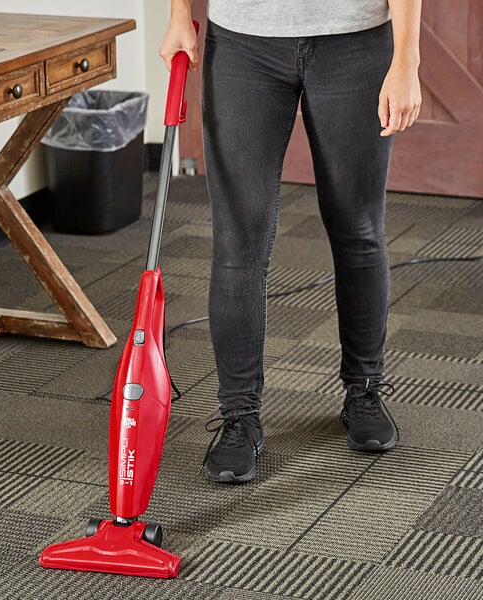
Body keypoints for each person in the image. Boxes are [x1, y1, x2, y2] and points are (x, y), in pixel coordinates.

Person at [160, 0, 422, 483]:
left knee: (357, 229)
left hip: (355, 39)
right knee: (239, 240)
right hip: (242, 42)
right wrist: (178, 14)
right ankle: (239, 417)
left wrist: (407, 57)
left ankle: (363, 390)